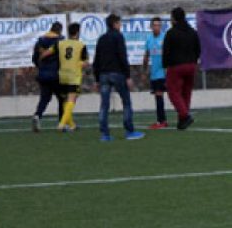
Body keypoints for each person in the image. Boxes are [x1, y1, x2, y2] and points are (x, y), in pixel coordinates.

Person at [93, 14, 144, 142]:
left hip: (103, 74)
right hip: (117, 73)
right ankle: (129, 131)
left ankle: (105, 134)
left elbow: (96, 60)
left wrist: (97, 79)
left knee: (104, 105)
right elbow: (122, 56)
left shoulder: (101, 39)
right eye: (119, 23)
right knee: (126, 102)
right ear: (115, 24)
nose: (120, 25)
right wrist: (128, 76)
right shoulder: (118, 37)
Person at [163, 7, 201, 129]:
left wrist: (165, 65)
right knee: (186, 93)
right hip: (191, 65)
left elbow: (166, 51)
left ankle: (185, 115)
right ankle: (182, 120)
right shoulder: (192, 32)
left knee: (173, 92)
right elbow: (198, 49)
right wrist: (194, 61)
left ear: (174, 19)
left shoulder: (171, 33)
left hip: (176, 66)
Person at [31, 21, 64, 132]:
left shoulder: (40, 41)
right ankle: (61, 122)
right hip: (57, 75)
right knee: (62, 98)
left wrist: (41, 67)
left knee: (44, 98)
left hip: (43, 75)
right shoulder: (60, 41)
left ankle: (37, 115)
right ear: (59, 31)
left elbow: (35, 59)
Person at [56, 22, 89, 133]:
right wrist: (81, 64)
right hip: (73, 76)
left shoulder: (60, 44)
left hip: (62, 75)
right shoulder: (81, 45)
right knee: (72, 99)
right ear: (78, 32)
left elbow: (50, 52)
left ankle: (72, 125)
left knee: (65, 100)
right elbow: (84, 62)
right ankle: (61, 124)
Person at [142, 16, 169, 129]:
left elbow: (169, 54)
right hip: (154, 73)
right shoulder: (149, 39)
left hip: (164, 72)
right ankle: (162, 120)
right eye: (155, 25)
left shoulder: (165, 38)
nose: (157, 27)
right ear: (151, 27)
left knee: (160, 94)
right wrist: (144, 71)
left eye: (158, 25)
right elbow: (146, 55)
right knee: (158, 95)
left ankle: (161, 121)